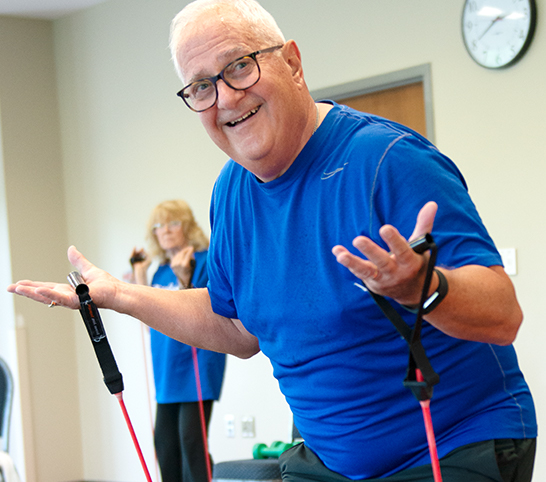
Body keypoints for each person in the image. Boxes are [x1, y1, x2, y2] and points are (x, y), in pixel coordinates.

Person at [8, 1, 537, 481]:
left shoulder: (388, 159)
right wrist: (120, 296)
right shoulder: (231, 193)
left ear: (293, 63)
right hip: (328, 460)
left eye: (240, 65)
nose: (226, 97)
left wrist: (424, 287)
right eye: (201, 87)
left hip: (451, 448)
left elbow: (503, 315)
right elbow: (237, 328)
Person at [130, 199, 225, 482]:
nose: (166, 230)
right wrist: (139, 273)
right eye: (159, 225)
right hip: (167, 368)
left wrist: (186, 281)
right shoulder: (159, 271)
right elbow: (147, 320)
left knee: (192, 443)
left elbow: (211, 314)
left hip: (197, 365)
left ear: (188, 227)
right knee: (165, 444)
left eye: (173, 223)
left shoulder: (205, 260)